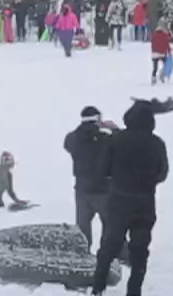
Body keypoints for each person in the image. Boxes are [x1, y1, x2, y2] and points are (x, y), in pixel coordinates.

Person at [89, 100, 169, 296]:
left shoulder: (115, 140)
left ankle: (98, 288)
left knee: (109, 246)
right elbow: (163, 173)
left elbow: (103, 170)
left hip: (119, 202)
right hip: (145, 203)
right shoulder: (157, 143)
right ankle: (134, 291)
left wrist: (117, 180)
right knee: (140, 250)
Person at [65, 105, 116, 245]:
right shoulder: (105, 139)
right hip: (104, 189)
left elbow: (67, 142)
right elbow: (123, 143)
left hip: (82, 190)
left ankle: (83, 257)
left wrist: (83, 127)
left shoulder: (73, 139)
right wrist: (115, 129)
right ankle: (108, 255)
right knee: (110, 225)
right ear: (98, 119)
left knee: (82, 229)